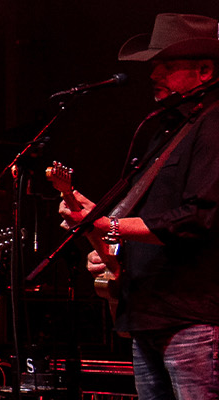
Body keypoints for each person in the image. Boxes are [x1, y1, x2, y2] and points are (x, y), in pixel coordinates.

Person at [58, 13, 219, 399]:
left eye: (166, 65)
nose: (153, 74)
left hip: (191, 317)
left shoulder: (214, 126)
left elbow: (198, 219)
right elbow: (150, 218)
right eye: (153, 65)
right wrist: (105, 235)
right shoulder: (168, 130)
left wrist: (110, 228)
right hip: (148, 312)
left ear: (204, 71)